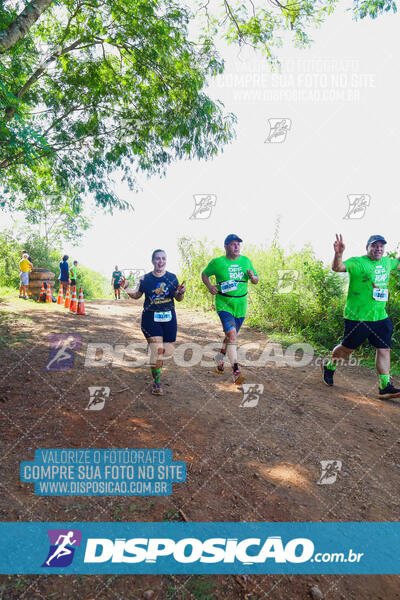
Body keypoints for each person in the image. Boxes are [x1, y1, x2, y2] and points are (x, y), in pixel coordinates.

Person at [322, 234, 400, 399]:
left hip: (380, 317)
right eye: (374, 245)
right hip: (358, 317)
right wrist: (338, 254)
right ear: (367, 247)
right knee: (347, 349)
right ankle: (329, 366)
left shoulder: (387, 262)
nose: (378, 249)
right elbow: (337, 268)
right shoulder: (358, 262)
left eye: (381, 246)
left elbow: (398, 262)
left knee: (384, 349)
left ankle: (384, 386)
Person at [120, 250, 185, 396]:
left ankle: (155, 354)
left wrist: (181, 292)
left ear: (166, 261)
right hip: (150, 317)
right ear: (152, 261)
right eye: (157, 259)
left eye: (163, 259)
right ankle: (157, 383)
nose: (160, 261)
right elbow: (136, 295)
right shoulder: (145, 279)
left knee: (167, 351)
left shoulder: (172, 278)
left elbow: (178, 298)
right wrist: (126, 288)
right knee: (158, 351)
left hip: (169, 318)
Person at [201, 234, 259, 385]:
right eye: (233, 244)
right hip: (224, 304)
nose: (237, 246)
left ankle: (220, 357)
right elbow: (204, 274)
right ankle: (236, 371)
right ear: (226, 246)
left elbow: (256, 280)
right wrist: (209, 286)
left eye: (238, 244)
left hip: (240, 306)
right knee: (232, 335)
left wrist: (253, 278)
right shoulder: (217, 262)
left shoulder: (246, 261)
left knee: (230, 336)